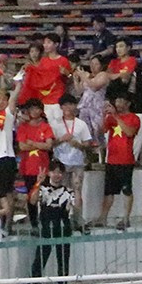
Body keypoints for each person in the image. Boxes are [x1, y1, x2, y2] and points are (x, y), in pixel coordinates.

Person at [96, 96, 142, 230]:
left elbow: (129, 132)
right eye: (117, 101)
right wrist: (103, 116)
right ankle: (103, 218)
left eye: (121, 101)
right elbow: (101, 131)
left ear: (128, 103)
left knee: (126, 189)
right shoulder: (110, 118)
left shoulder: (134, 118)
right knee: (108, 191)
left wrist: (116, 117)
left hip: (126, 160)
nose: (118, 103)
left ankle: (126, 218)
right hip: (111, 159)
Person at [48, 93, 94, 223]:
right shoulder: (55, 124)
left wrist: (78, 145)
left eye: (71, 104)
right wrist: (61, 139)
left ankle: (78, 219)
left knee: (77, 190)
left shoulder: (81, 124)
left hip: (77, 162)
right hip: (60, 163)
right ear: (61, 107)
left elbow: (88, 143)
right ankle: (62, 219)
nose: (68, 107)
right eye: (65, 105)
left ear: (75, 106)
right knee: (60, 191)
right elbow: (49, 144)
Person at [31, 162, 77, 278]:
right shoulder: (43, 189)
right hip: (46, 226)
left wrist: (77, 188)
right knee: (40, 258)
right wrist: (38, 183)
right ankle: (34, 283)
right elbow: (32, 201)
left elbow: (78, 205)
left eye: (59, 172)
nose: (57, 175)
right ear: (49, 173)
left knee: (63, 260)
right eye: (54, 172)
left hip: (63, 226)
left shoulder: (68, 191)